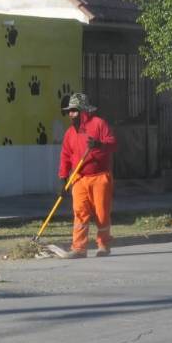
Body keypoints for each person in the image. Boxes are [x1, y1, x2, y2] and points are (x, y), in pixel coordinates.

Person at [56, 92, 117, 259]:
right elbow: (65, 156)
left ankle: (103, 245)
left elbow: (113, 144)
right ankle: (79, 248)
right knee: (80, 213)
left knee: (102, 213)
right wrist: (63, 179)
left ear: (83, 111)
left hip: (100, 177)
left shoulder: (99, 124)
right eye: (69, 111)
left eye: (74, 110)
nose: (70, 114)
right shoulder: (70, 133)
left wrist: (98, 144)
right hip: (79, 178)